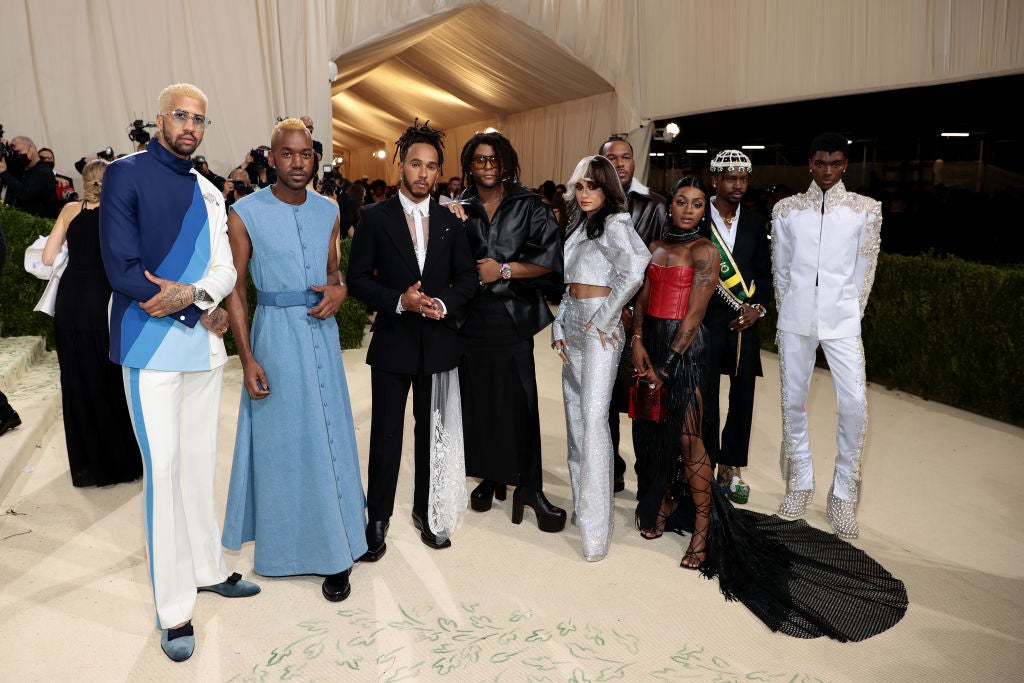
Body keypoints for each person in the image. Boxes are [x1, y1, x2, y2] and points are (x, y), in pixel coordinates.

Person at [630, 177, 905, 642]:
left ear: (703, 212)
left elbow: (696, 312)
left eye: (697, 204)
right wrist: (638, 341)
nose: (688, 210)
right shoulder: (654, 245)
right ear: (670, 204)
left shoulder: (705, 252)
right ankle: (660, 504)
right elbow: (639, 300)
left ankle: (701, 527)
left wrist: (669, 363)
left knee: (691, 439)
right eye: (681, 201)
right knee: (656, 432)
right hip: (652, 345)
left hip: (686, 350)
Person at [99, 82, 259, 663]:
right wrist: (197, 306)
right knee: (163, 473)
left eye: (200, 120)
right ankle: (173, 609)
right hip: (149, 348)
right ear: (160, 119)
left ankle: (209, 569)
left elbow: (225, 268)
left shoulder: (209, 190)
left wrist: (194, 297)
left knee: (196, 467)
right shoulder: (125, 174)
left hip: (201, 351)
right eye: (182, 116)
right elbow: (122, 270)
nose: (190, 126)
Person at [220, 119, 366, 603]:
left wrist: (341, 290)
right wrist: (247, 358)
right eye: (288, 154)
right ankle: (288, 549)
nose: (298, 163)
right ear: (271, 159)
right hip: (275, 337)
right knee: (285, 445)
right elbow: (236, 289)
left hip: (320, 334)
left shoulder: (329, 209)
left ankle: (337, 548)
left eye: (306, 155)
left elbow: (332, 270)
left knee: (328, 436)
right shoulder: (244, 213)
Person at [347, 120, 477, 559]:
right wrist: (400, 301)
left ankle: (427, 511)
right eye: (416, 164)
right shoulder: (373, 217)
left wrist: (443, 303)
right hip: (393, 340)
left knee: (432, 433)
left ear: (440, 173)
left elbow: (467, 278)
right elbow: (359, 279)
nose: (423, 174)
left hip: (439, 342)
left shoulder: (450, 221)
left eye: (432, 167)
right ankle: (377, 518)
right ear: (401, 166)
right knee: (385, 434)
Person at [452, 131, 566, 532]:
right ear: (470, 164)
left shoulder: (530, 205)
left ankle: (530, 488)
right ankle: (492, 475)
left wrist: (502, 269)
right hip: (470, 318)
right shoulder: (457, 206)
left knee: (520, 402)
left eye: (494, 160)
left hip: (512, 315)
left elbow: (550, 260)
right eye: (479, 160)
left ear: (506, 163)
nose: (487, 167)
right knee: (479, 402)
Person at [771, 132, 882, 539]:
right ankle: (799, 484)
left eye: (835, 163)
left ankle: (842, 496)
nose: (828, 171)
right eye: (821, 163)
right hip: (795, 319)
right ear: (810, 164)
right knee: (793, 403)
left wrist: (849, 315)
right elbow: (780, 270)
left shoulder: (864, 210)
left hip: (842, 322)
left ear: (845, 165)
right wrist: (789, 314)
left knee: (854, 404)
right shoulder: (786, 211)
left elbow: (864, 272)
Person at [551, 155, 650, 562]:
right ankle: (583, 508)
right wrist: (560, 323)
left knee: (593, 423)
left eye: (593, 186)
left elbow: (637, 269)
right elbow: (571, 283)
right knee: (576, 419)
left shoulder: (615, 223)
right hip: (573, 324)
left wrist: (607, 317)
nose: (585, 193)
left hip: (599, 330)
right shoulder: (579, 225)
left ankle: (596, 530)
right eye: (580, 186)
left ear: (608, 188)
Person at [42, 159, 142, 487]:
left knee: (76, 378)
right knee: (110, 378)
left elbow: (47, 258)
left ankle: (89, 467)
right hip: (105, 299)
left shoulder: (70, 210)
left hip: (72, 299)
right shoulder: (122, 212)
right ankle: (122, 463)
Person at [599, 135, 668, 493]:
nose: (622, 163)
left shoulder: (654, 206)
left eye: (627, 157)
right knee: (604, 398)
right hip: (600, 317)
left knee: (641, 397)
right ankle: (611, 467)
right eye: (614, 158)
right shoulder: (590, 202)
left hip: (639, 317)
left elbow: (655, 267)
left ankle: (648, 474)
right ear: (602, 162)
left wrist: (632, 311)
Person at [703, 150, 772, 504]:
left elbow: (763, 271)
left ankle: (731, 466)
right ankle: (706, 464)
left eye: (743, 179)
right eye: (731, 179)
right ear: (715, 179)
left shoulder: (755, 222)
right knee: (707, 396)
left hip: (745, 321)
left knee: (742, 397)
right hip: (706, 321)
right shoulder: (700, 218)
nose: (738, 185)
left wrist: (757, 309)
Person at [0, 135, 58, 218]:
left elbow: (25, 195)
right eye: (14, 153)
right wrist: (4, 147)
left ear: (32, 148)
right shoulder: (19, 167)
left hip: (38, 225)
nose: (17, 156)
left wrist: (4, 172)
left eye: (19, 152)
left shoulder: (43, 171)